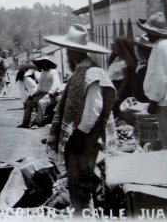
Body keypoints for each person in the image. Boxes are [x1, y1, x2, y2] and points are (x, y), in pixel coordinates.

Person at [45, 24, 114, 213]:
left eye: (68, 51)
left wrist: (78, 137)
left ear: (74, 52)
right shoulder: (81, 72)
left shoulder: (92, 73)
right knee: (77, 188)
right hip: (81, 141)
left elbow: (94, 109)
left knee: (82, 190)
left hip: (85, 142)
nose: (67, 55)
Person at [139, 12, 167, 149]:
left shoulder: (161, 48)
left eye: (149, 32)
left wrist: (154, 100)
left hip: (164, 100)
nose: (147, 35)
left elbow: (162, 77)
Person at [21, 57, 61, 128]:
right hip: (43, 94)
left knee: (41, 102)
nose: (42, 64)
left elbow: (55, 85)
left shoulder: (53, 72)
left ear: (48, 63)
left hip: (53, 96)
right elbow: (39, 87)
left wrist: (50, 93)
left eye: (44, 62)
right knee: (28, 103)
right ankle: (25, 123)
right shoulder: (43, 73)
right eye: (41, 63)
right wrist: (33, 95)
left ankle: (38, 123)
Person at [109, 37, 138, 118]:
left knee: (119, 114)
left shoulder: (125, 62)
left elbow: (126, 80)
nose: (114, 47)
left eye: (116, 45)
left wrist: (118, 94)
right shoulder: (116, 58)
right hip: (113, 88)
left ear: (121, 47)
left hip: (119, 90)